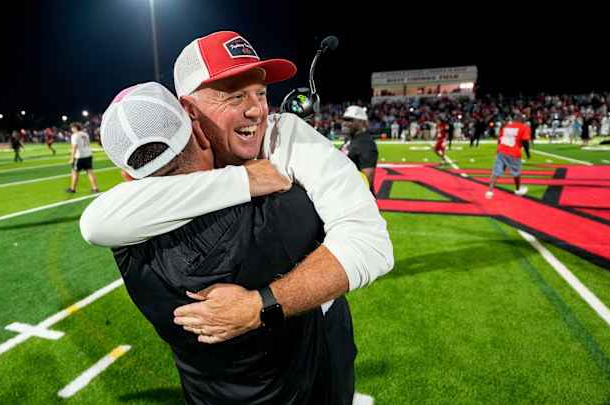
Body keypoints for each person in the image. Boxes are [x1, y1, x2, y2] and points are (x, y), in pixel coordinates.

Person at [81, 31, 393, 347]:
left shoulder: (286, 135)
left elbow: (370, 243)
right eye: (235, 96)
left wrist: (260, 305)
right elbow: (97, 222)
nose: (258, 110)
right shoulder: (176, 163)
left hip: (321, 336)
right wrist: (244, 180)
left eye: (260, 93)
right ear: (189, 109)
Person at [103, 82, 356, 404]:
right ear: (198, 133)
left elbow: (101, 218)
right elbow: (352, 231)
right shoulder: (281, 212)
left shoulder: (123, 243)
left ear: (128, 178)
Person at [485, 113, 531, 199]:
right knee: (516, 173)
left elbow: (499, 140)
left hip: (501, 151)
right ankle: (518, 190)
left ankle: (489, 191)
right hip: (513, 152)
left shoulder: (506, 127)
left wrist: (500, 149)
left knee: (495, 172)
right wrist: (528, 154)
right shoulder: (525, 128)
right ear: (521, 119)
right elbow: (525, 141)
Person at [340, 105, 378, 193]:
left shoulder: (366, 144)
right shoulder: (351, 138)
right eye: (344, 119)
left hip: (355, 198)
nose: (345, 123)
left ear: (361, 122)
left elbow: (366, 181)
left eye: (349, 120)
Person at [65, 122, 98, 194]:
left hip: (80, 156)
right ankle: (95, 188)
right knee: (90, 172)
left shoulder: (75, 135)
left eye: (72, 128)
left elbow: (74, 148)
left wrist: (72, 158)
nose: (71, 129)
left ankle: (72, 189)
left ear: (75, 128)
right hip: (88, 154)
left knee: (74, 172)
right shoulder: (85, 134)